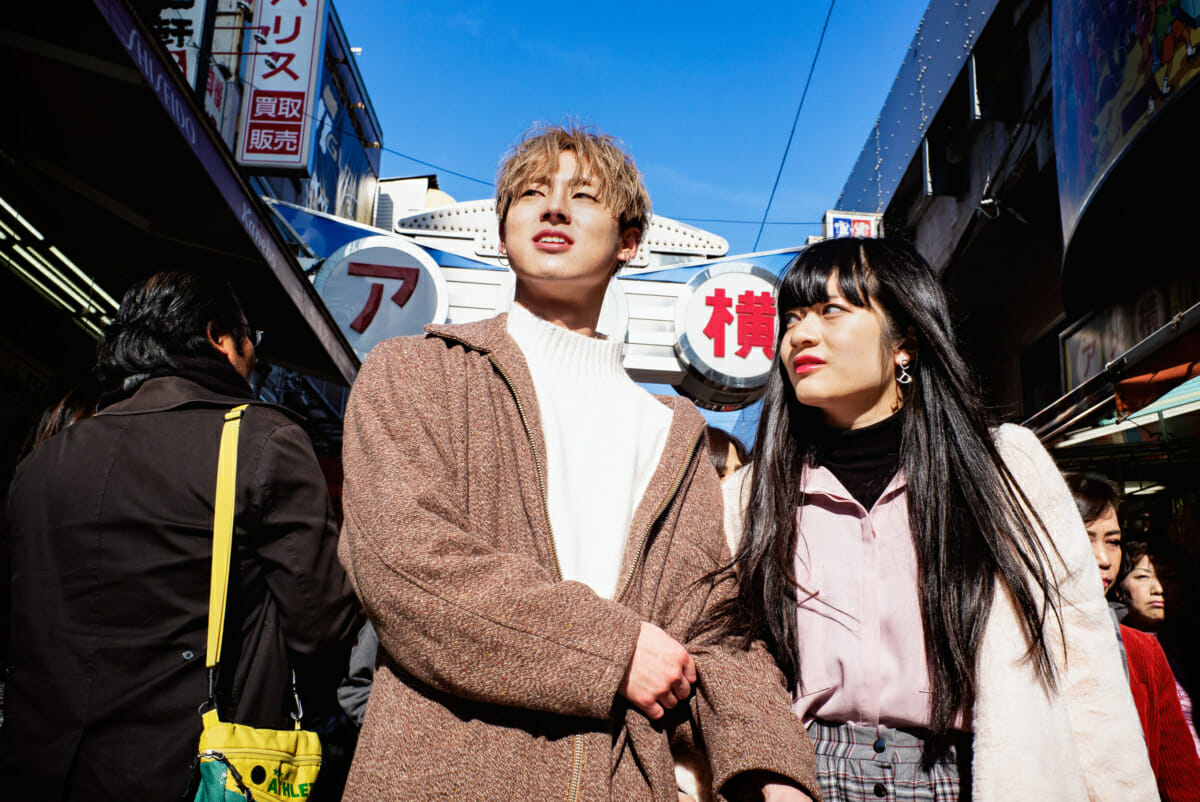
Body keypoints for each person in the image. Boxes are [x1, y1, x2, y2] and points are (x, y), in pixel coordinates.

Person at [337, 123, 819, 801]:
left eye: (583, 196)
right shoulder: (415, 372)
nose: (554, 208)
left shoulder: (672, 429)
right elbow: (402, 565)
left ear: (629, 241)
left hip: (621, 778)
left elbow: (712, 621)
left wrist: (773, 768)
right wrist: (612, 650)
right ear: (503, 232)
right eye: (532, 193)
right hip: (443, 771)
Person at [712, 237, 1158, 801]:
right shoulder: (749, 499)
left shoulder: (1004, 471)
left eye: (831, 310)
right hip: (800, 783)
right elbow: (726, 665)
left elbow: (1083, 667)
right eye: (792, 317)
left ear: (906, 342)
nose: (799, 334)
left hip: (968, 779)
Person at [0, 271, 360, 800]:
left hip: (34, 767)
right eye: (248, 337)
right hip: (187, 772)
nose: (253, 355)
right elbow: (321, 625)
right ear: (219, 337)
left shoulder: (44, 460)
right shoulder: (261, 440)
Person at [1065, 473, 1200, 799]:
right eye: (1085, 539)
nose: (1102, 559)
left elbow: (1182, 781)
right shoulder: (1006, 646)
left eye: (1112, 542)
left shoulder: (1145, 652)